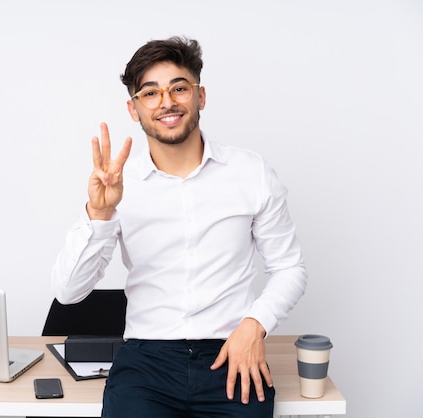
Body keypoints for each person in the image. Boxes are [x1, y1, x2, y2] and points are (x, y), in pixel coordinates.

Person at [51, 36, 307, 418]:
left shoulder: (250, 173)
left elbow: (290, 268)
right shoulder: (120, 184)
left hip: (231, 353)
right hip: (145, 362)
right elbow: (68, 292)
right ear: (133, 109)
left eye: (179, 88)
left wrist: (255, 325)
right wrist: (98, 214)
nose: (166, 102)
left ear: (200, 96)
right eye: (150, 93)